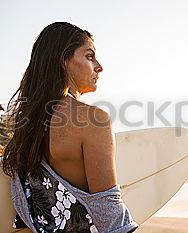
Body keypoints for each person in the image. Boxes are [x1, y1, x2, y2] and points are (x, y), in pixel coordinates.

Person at [1, 22, 139, 233]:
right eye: (89, 56)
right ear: (63, 61)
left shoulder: (28, 123)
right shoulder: (93, 119)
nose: (99, 67)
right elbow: (107, 208)